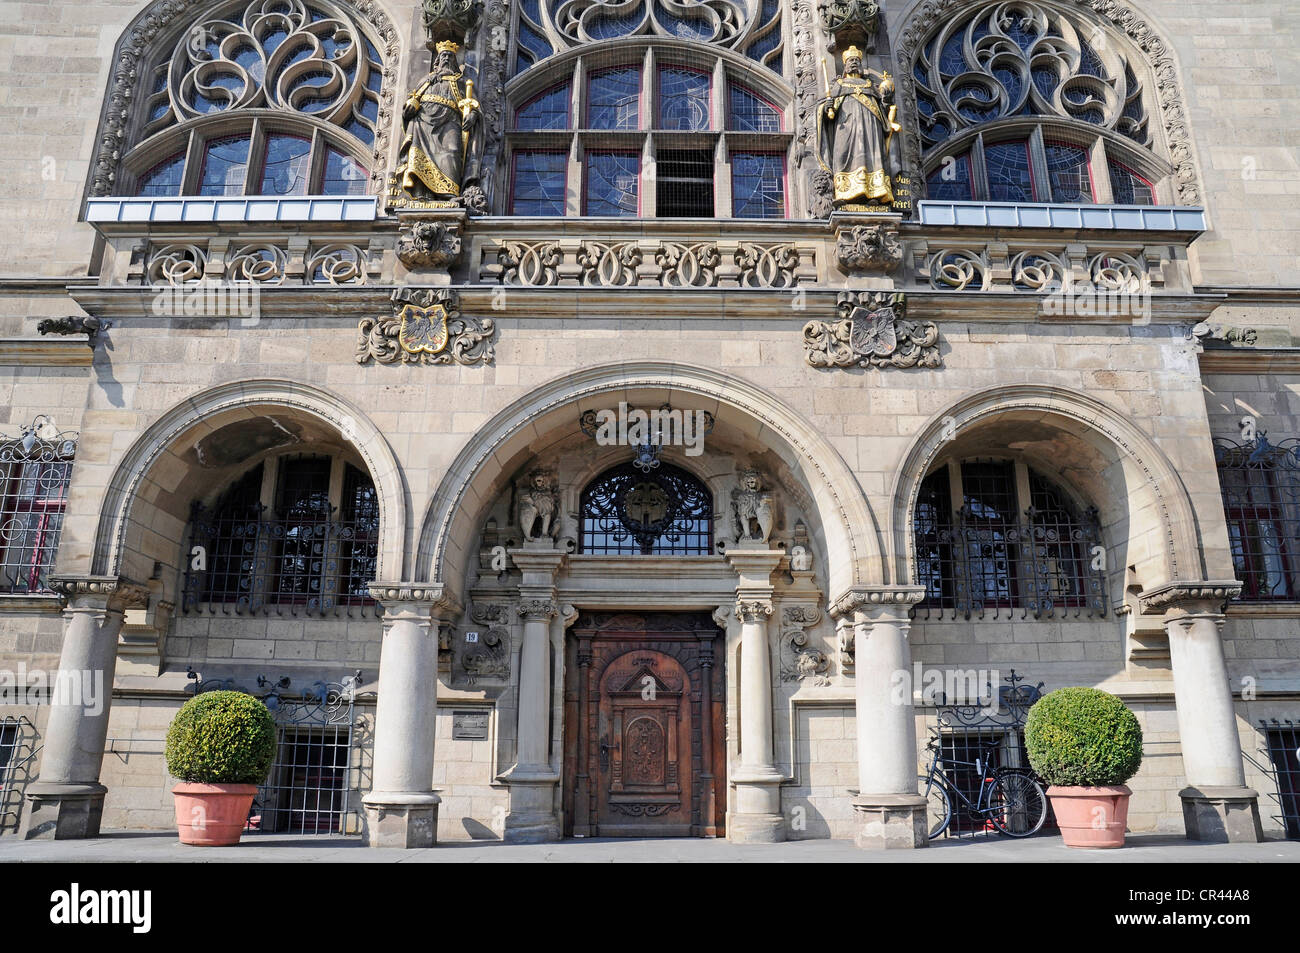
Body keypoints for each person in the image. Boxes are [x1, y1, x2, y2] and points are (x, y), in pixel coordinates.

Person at [394, 40, 484, 202]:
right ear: (438, 60)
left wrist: (473, 115)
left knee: (453, 151)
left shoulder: (460, 81)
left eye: (450, 56)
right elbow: (413, 99)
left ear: (454, 61)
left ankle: (451, 194)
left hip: (450, 119)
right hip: (423, 121)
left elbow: (474, 104)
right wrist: (409, 109)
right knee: (420, 156)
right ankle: (421, 194)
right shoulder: (427, 80)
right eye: (443, 55)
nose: (446, 58)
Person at [816, 45, 901, 208]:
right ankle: (843, 192)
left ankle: (875, 193)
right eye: (850, 60)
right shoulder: (839, 84)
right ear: (845, 65)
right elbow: (827, 111)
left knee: (872, 158)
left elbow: (882, 109)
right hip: (845, 127)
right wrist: (827, 108)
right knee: (842, 155)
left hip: (870, 127)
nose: (854, 63)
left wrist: (886, 98)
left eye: (856, 60)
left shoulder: (869, 85)